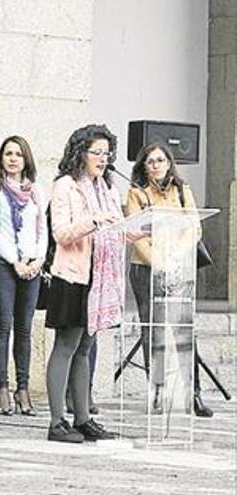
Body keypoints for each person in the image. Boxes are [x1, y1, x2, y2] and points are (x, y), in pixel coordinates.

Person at [44, 124, 129, 443]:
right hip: (72, 275)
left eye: (107, 154)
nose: (103, 159)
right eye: (97, 152)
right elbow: (61, 233)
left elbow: (118, 228)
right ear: (81, 152)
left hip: (100, 278)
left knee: (86, 348)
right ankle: (56, 422)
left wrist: (145, 226)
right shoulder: (65, 186)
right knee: (66, 346)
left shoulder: (108, 189)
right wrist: (93, 220)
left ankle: (83, 418)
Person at [125, 142, 212, 417]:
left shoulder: (182, 190)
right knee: (154, 331)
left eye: (161, 160)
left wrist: (176, 257)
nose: (156, 165)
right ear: (143, 166)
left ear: (169, 162)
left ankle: (193, 393)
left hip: (180, 267)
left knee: (184, 330)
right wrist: (160, 263)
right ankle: (158, 394)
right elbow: (137, 236)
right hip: (147, 269)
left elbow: (193, 227)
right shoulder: (137, 193)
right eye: (150, 161)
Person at [0, 136, 47, 416]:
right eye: (8, 153)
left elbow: (43, 229)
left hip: (32, 266)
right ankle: (2, 388)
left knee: (25, 329)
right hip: (2, 266)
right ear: (1, 158)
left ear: (26, 160)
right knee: (4, 326)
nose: (13, 159)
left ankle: (23, 387)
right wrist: (15, 261)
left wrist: (39, 259)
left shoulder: (35, 191)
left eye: (18, 154)